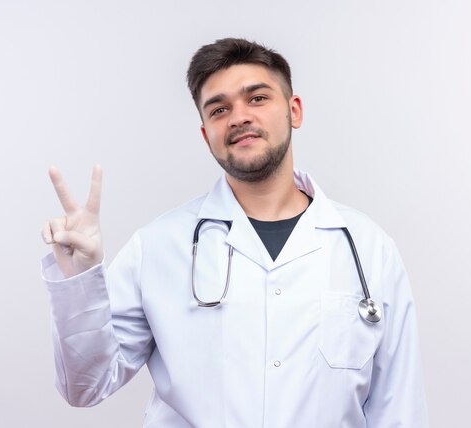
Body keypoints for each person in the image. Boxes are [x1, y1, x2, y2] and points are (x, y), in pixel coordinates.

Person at [41, 38, 429, 427]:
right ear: (206, 133)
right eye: (219, 109)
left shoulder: (368, 248)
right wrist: (81, 280)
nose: (238, 117)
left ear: (294, 110)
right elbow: (85, 387)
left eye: (257, 98)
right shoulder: (158, 246)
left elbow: (398, 410)